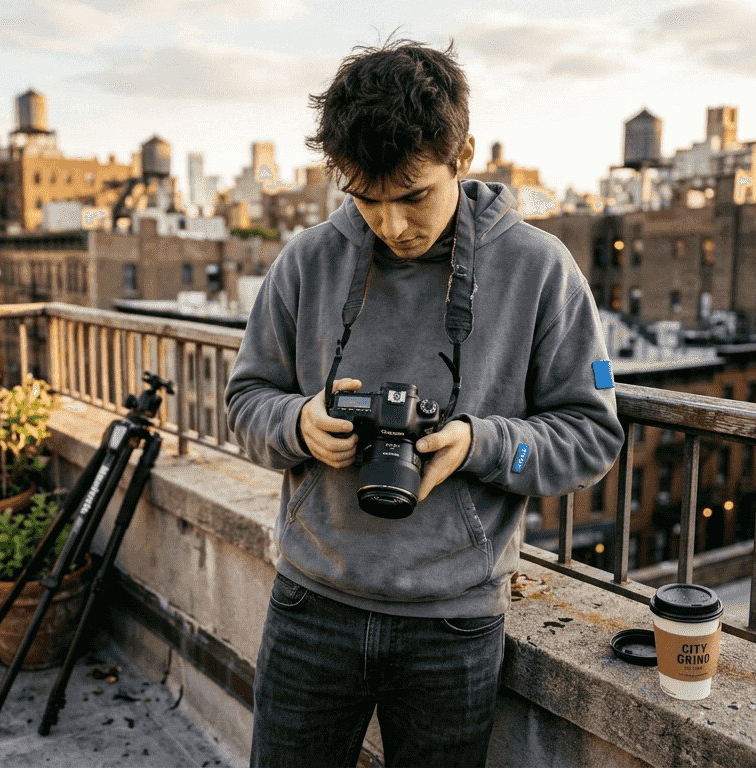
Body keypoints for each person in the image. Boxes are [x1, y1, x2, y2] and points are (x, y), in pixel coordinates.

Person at [224, 34, 625, 768]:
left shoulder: (540, 270)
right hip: (311, 604)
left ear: (463, 154)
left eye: (414, 196)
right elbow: (246, 399)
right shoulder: (307, 259)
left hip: (455, 623)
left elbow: (592, 438)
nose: (393, 226)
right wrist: (299, 423)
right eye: (366, 201)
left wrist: (481, 444)